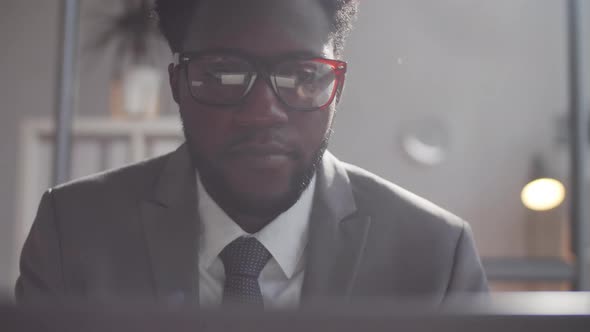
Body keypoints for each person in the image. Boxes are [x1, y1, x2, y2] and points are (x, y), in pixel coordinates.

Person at [16, 0, 488, 309]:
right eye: (223, 73)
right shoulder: (74, 231)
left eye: (302, 74)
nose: (262, 112)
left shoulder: (434, 253)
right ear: (178, 85)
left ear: (335, 88)